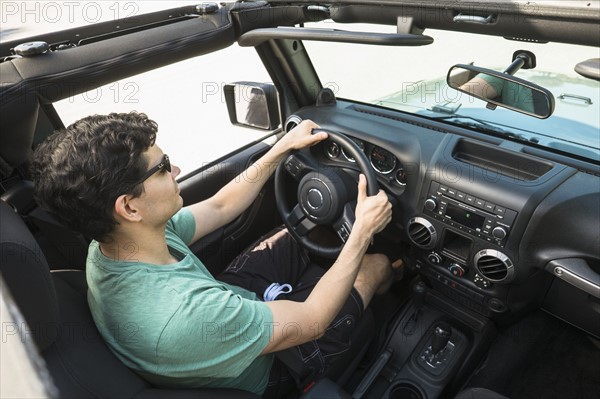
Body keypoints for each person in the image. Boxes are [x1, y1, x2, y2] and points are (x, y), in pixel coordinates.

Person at [31, 112, 398, 398]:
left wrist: (282, 147)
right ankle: (396, 282)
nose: (176, 170)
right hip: (273, 366)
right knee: (374, 264)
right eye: (162, 168)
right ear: (129, 207)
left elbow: (222, 206)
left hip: (227, 313)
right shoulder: (182, 316)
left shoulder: (114, 243)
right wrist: (363, 232)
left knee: (304, 231)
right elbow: (313, 319)